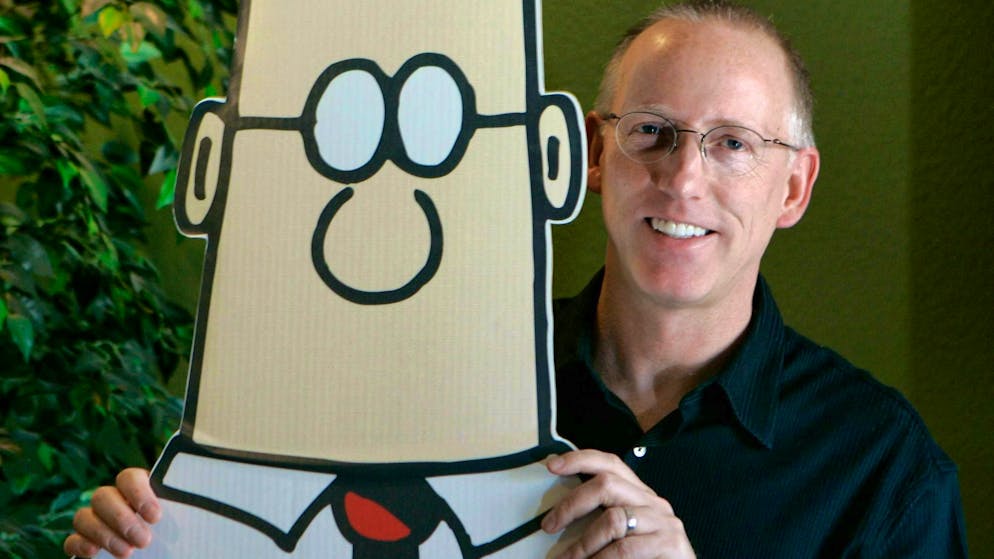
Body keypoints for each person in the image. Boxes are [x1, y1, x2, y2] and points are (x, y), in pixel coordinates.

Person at [64, 1, 968, 558]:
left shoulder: (882, 471)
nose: (684, 177)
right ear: (591, 157)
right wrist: (155, 540)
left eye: (733, 144)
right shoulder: (428, 385)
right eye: (651, 131)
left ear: (793, 188)